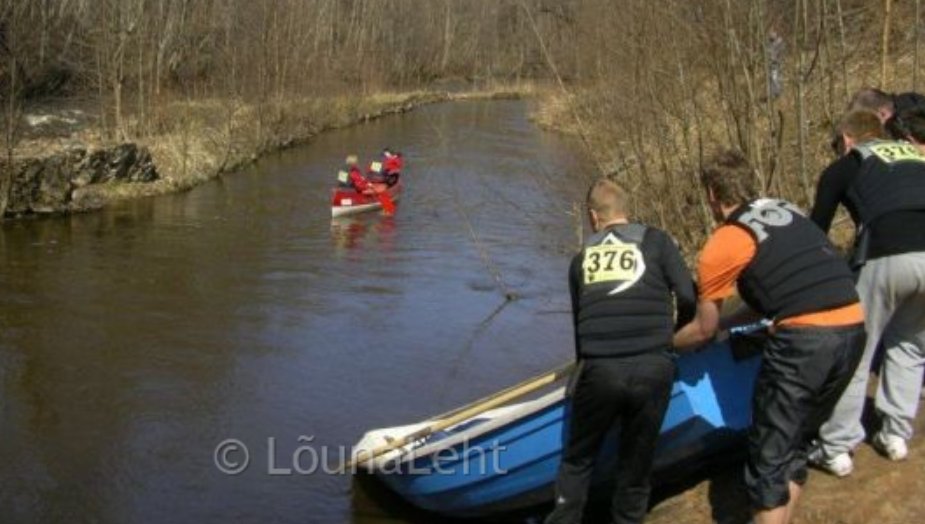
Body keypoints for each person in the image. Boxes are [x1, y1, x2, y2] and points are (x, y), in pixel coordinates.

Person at [673, 150, 865, 524]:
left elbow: (703, 329)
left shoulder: (724, 242)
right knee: (795, 444)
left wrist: (665, 343)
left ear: (713, 193)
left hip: (805, 341)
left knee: (768, 459)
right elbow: (777, 295)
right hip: (853, 328)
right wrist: (731, 324)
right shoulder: (785, 210)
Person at [546, 179, 696, 524]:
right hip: (653, 366)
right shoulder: (657, 241)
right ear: (625, 210)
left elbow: (580, 330)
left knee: (578, 461)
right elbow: (687, 296)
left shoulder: (581, 258)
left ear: (593, 216)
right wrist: (673, 336)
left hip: (601, 370)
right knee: (636, 466)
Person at [808, 109, 925, 476]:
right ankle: (895, 436)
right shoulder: (915, 155)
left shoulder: (847, 166)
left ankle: (837, 447)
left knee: (857, 350)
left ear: (847, 140)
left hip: (885, 255)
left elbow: (816, 231)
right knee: (910, 345)